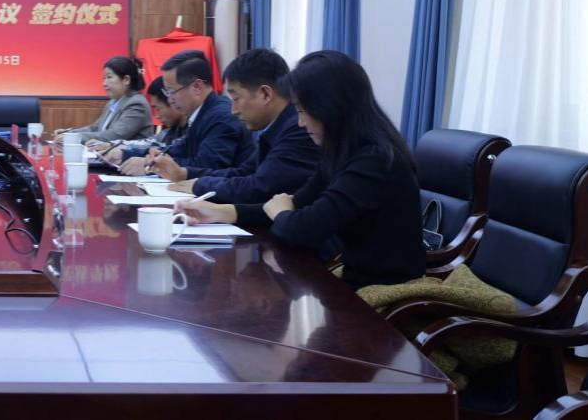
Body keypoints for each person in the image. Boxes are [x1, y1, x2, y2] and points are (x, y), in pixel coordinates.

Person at [177, 50, 425, 289]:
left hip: (382, 292)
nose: (300, 122)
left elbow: (302, 229)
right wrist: (222, 212)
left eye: (302, 110)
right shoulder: (341, 152)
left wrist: (281, 211)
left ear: (330, 108)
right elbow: (296, 204)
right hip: (352, 279)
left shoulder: (374, 160)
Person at [155, 48, 319, 203]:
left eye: (236, 98)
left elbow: (260, 187)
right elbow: (243, 172)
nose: (233, 110)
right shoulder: (277, 126)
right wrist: (185, 173)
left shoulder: (297, 128)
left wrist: (201, 185)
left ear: (265, 94)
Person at [149, 49, 254, 172]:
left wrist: (154, 165)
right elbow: (181, 149)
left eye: (171, 91)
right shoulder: (201, 113)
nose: (170, 99)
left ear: (197, 87)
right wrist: (156, 156)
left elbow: (205, 166)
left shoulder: (221, 116)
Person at [55, 55, 154, 144]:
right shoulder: (113, 102)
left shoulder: (136, 104)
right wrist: (69, 133)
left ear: (126, 80)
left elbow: (114, 136)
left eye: (109, 77)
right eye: (104, 78)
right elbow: (95, 128)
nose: (104, 83)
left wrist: (74, 138)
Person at [96, 78, 187, 173]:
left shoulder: (136, 103)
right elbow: (151, 143)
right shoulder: (172, 131)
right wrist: (113, 146)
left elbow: (188, 163)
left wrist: (147, 165)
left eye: (157, 108)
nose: (157, 115)